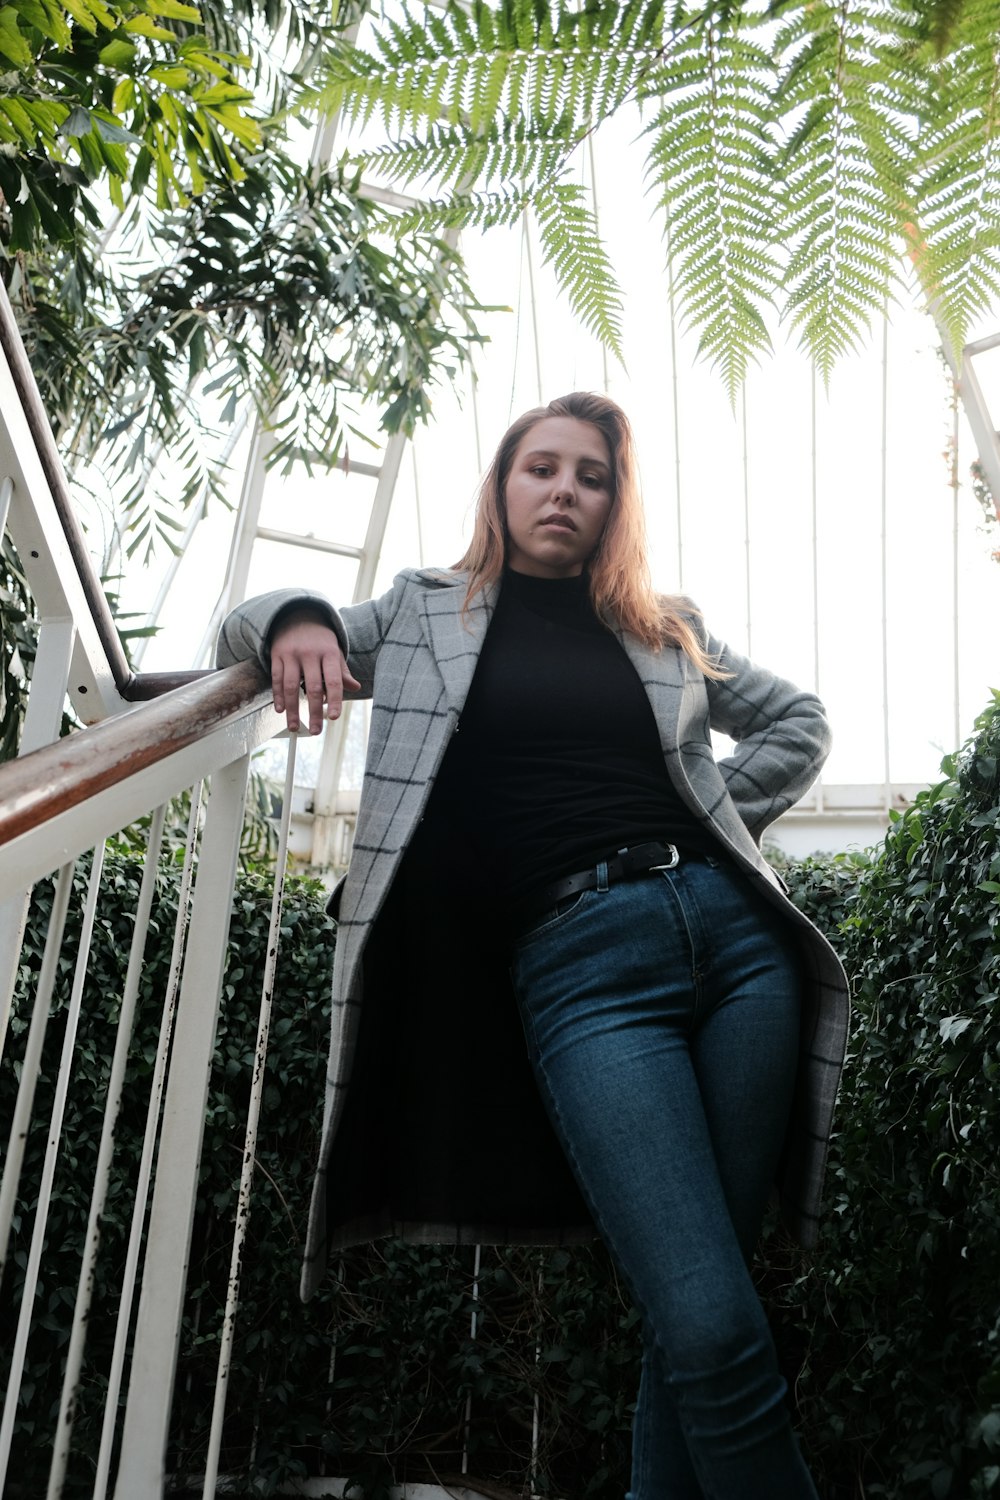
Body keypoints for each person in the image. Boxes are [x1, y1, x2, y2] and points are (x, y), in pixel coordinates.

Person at [217, 391, 849, 1499]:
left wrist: (711, 821)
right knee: (707, 1322)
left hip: (742, 950)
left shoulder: (662, 622)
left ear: (615, 503)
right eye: (541, 468)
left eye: (590, 476)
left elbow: (798, 717)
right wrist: (297, 620)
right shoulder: (423, 610)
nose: (564, 490)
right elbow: (246, 619)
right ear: (501, 489)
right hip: (584, 967)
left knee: (694, 1314)